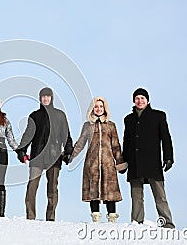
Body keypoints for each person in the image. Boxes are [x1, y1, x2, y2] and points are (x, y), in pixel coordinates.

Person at [16, 87, 73, 221]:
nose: (45, 99)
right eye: (43, 96)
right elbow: (28, 135)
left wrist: (68, 151)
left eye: (48, 96)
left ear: (52, 98)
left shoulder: (60, 115)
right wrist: (22, 150)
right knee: (32, 186)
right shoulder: (35, 116)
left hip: (54, 156)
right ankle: (30, 216)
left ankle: (51, 216)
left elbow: (66, 135)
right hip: (37, 155)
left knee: (52, 187)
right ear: (40, 98)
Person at [122, 88, 175, 228]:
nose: (140, 101)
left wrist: (168, 157)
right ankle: (136, 223)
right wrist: (123, 161)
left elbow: (166, 138)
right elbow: (126, 141)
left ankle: (167, 223)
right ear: (134, 101)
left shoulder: (159, 116)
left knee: (160, 196)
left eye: (142, 98)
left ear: (147, 100)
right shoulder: (128, 119)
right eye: (137, 98)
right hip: (134, 162)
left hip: (152, 162)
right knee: (136, 196)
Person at [70, 97, 127, 223]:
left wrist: (120, 162)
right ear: (92, 108)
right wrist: (70, 156)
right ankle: (95, 217)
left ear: (105, 108)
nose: (99, 109)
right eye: (96, 106)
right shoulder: (88, 126)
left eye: (101, 106)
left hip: (108, 164)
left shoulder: (111, 125)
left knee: (109, 191)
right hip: (92, 164)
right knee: (93, 190)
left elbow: (116, 145)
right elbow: (80, 143)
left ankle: (112, 218)